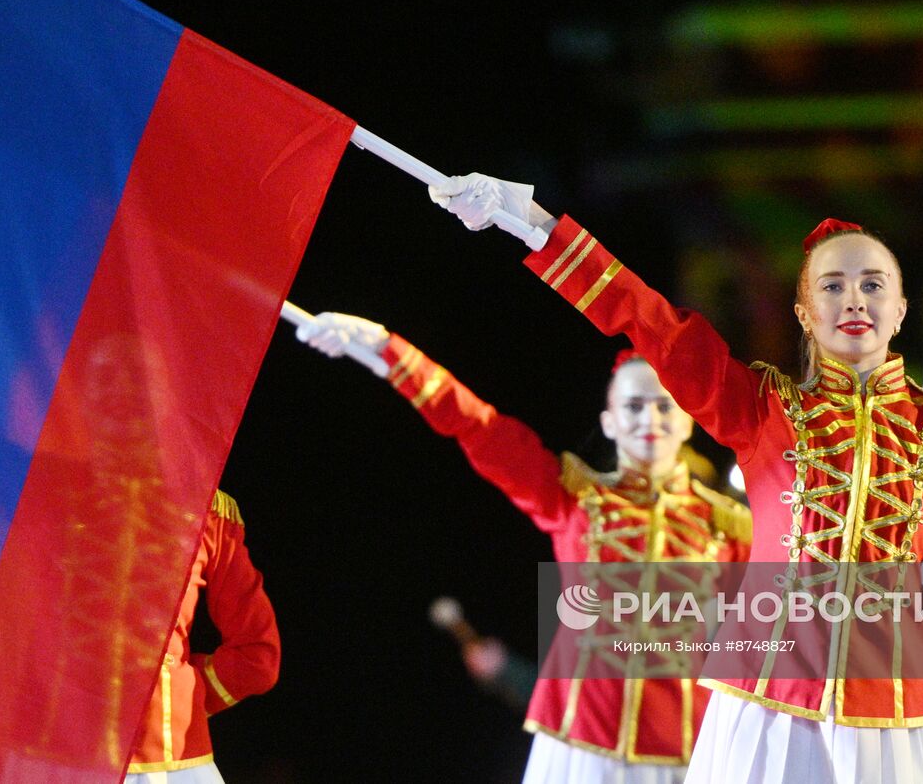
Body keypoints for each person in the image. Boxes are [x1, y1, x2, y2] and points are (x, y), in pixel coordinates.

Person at [424, 174, 923, 784]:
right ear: (804, 314)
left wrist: (907, 627)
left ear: (900, 309)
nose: (854, 301)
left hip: (885, 715)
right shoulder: (763, 407)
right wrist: (533, 223)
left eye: (873, 285)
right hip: (760, 705)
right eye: (832, 286)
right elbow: (652, 323)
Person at [299, 315, 752, 783]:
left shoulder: (731, 526)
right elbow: (481, 429)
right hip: (580, 741)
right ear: (609, 422)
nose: (650, 420)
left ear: (688, 421)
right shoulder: (575, 498)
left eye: (664, 406)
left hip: (688, 747)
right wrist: (389, 352)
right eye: (633, 407)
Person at [124, 489, 281, 783]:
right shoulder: (207, 509)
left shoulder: (38, 493)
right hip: (168, 756)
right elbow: (257, 662)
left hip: (44, 749)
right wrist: (177, 693)